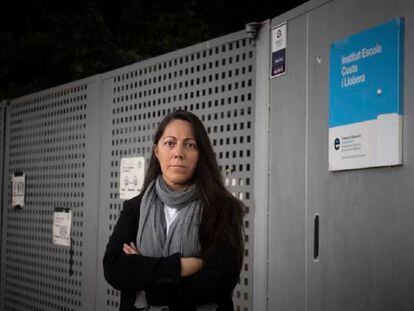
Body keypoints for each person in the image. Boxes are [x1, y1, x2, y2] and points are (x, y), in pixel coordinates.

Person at [103, 109, 245, 310]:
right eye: (170, 143)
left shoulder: (222, 208)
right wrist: (180, 267)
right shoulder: (135, 207)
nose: (178, 152)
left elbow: (218, 281)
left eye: (190, 145)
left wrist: (143, 272)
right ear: (157, 151)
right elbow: (113, 268)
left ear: (200, 154)